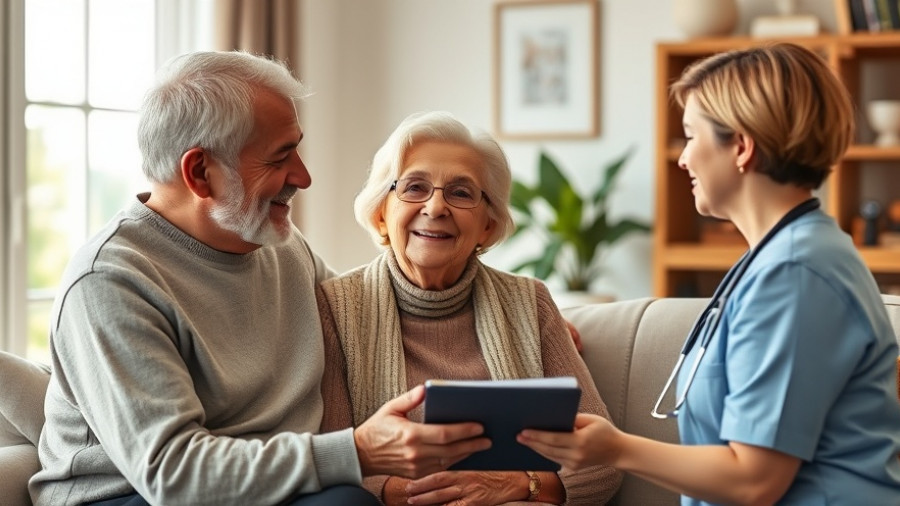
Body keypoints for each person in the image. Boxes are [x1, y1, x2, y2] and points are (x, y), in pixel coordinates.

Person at [29, 51, 491, 506]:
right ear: (199, 172)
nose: (304, 176)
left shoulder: (279, 245)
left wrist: (508, 316)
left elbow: (369, 314)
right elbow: (173, 476)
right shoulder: (111, 282)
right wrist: (358, 450)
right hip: (131, 494)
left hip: (270, 482)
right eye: (279, 158)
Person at [518, 42, 900, 505]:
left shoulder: (795, 274)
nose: (682, 159)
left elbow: (754, 480)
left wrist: (614, 447)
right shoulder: (778, 259)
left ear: (740, 147)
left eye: (691, 136)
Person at [316, 110, 623, 505]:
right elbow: (330, 457)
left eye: (461, 193)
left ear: (488, 227)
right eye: (414, 187)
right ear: (381, 213)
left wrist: (515, 484)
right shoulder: (335, 308)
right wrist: (419, 493)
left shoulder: (531, 303)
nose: (435, 207)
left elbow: (604, 460)